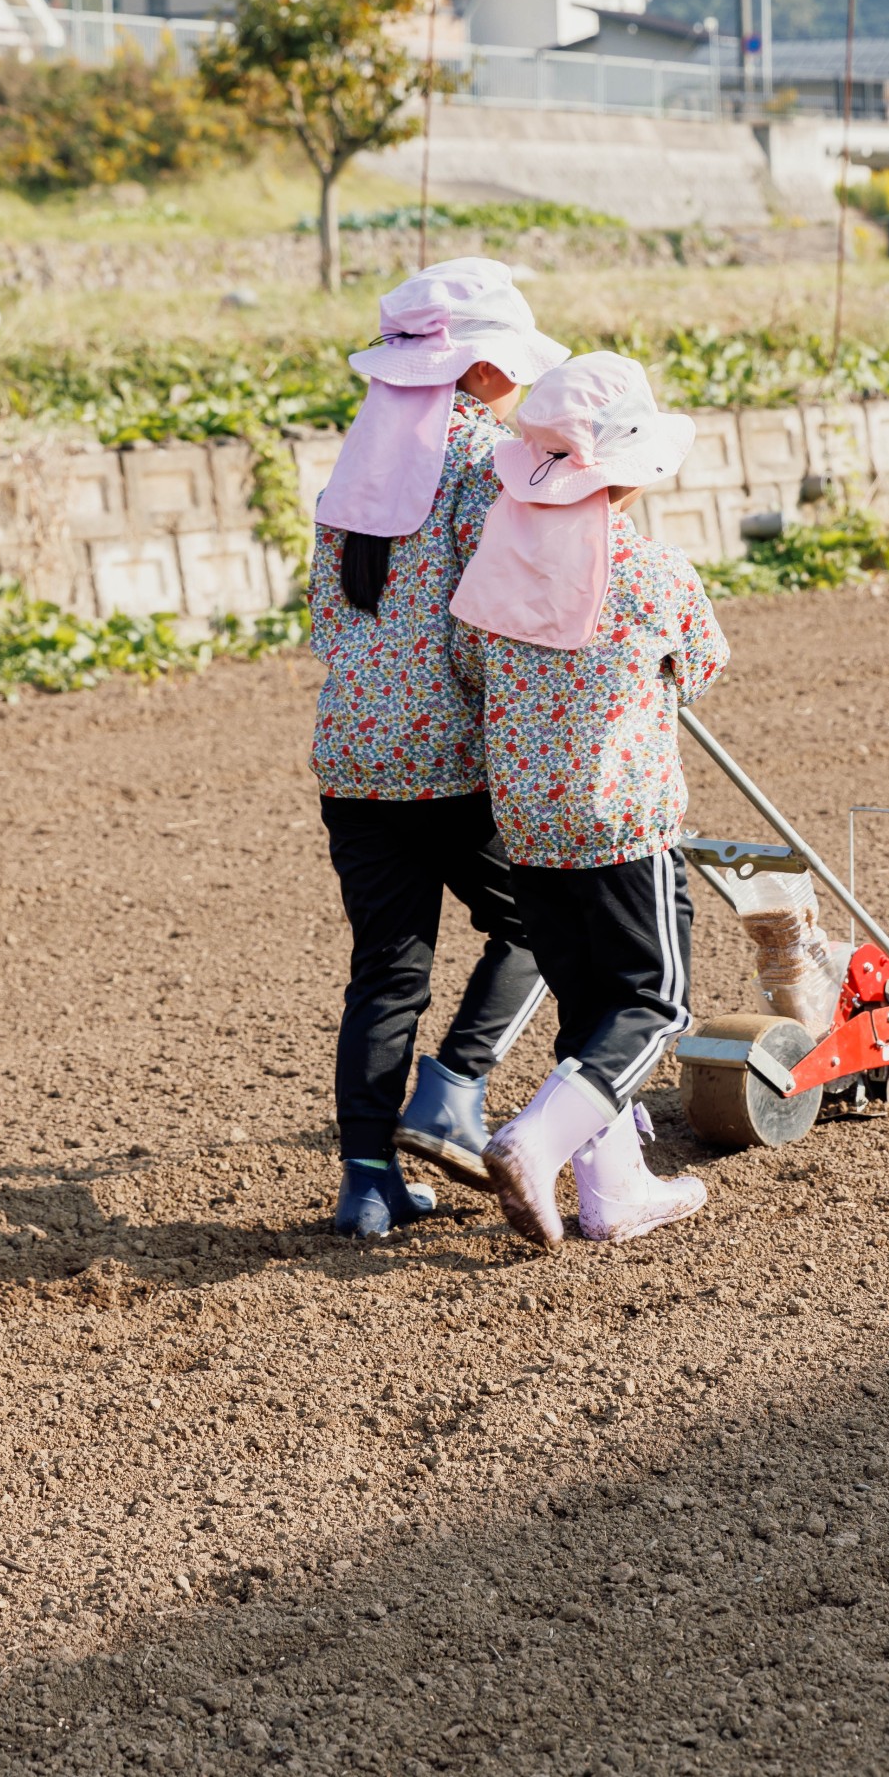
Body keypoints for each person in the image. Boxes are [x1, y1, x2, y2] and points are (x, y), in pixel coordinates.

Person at [310, 257, 569, 1237]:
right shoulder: (478, 463)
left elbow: (328, 619)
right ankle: (454, 1085)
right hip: (452, 760)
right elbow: (481, 623)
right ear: (484, 370)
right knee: (545, 923)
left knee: (385, 968)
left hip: (352, 755)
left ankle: (368, 1183)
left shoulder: (354, 465)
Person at [450, 352, 729, 1248]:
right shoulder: (657, 576)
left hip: (527, 823)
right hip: (622, 822)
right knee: (654, 1004)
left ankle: (615, 1191)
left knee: (590, 1008)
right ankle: (534, 1140)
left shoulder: (492, 578)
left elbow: (469, 669)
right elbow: (704, 669)